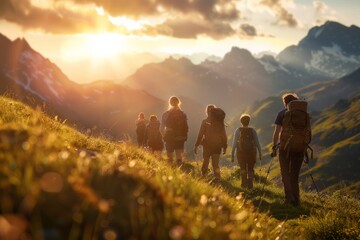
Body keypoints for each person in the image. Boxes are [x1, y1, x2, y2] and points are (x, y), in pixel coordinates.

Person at [272, 93, 310, 206]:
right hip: (299, 148)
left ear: (285, 103)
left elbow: (277, 132)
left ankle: (289, 198)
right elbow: (306, 132)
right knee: (294, 175)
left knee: (285, 174)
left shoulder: (282, 113)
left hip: (284, 148)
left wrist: (274, 146)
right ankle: (297, 199)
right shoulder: (303, 114)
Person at [194, 105, 227, 182]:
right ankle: (218, 179)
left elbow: (200, 134)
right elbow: (224, 135)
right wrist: (224, 146)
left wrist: (196, 145)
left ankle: (204, 177)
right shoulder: (220, 123)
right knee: (215, 164)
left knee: (206, 161)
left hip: (207, 145)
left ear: (207, 112)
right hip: (217, 145)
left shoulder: (205, 122)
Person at [231, 114, 261, 189]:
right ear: (249, 121)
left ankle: (243, 184)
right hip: (251, 153)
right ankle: (250, 184)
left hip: (241, 153)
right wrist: (260, 152)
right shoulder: (252, 130)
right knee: (250, 168)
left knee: (243, 168)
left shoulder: (238, 130)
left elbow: (234, 143)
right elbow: (257, 142)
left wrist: (232, 154)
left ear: (241, 122)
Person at [161, 96, 189, 165]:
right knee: (179, 158)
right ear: (178, 103)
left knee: (169, 157)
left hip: (170, 136)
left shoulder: (166, 114)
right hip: (180, 136)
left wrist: (163, 136)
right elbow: (186, 126)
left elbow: (162, 127)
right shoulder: (183, 114)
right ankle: (180, 172)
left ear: (170, 103)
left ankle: (171, 172)